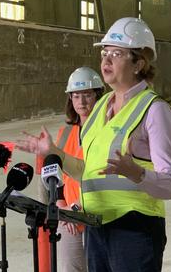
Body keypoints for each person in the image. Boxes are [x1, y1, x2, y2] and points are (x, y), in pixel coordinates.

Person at [18, 17, 171, 272]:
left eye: (116, 54)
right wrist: (55, 153)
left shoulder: (155, 110)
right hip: (96, 227)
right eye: (105, 53)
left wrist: (136, 173)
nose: (106, 61)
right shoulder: (101, 107)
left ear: (139, 63)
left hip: (134, 229)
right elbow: (87, 171)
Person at [45, 67, 105, 272]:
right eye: (76, 96)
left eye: (87, 95)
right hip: (69, 216)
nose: (81, 101)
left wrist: (77, 208)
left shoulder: (108, 132)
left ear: (98, 96)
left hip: (99, 214)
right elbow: (56, 176)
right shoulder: (64, 134)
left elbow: (107, 175)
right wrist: (63, 208)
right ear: (70, 98)